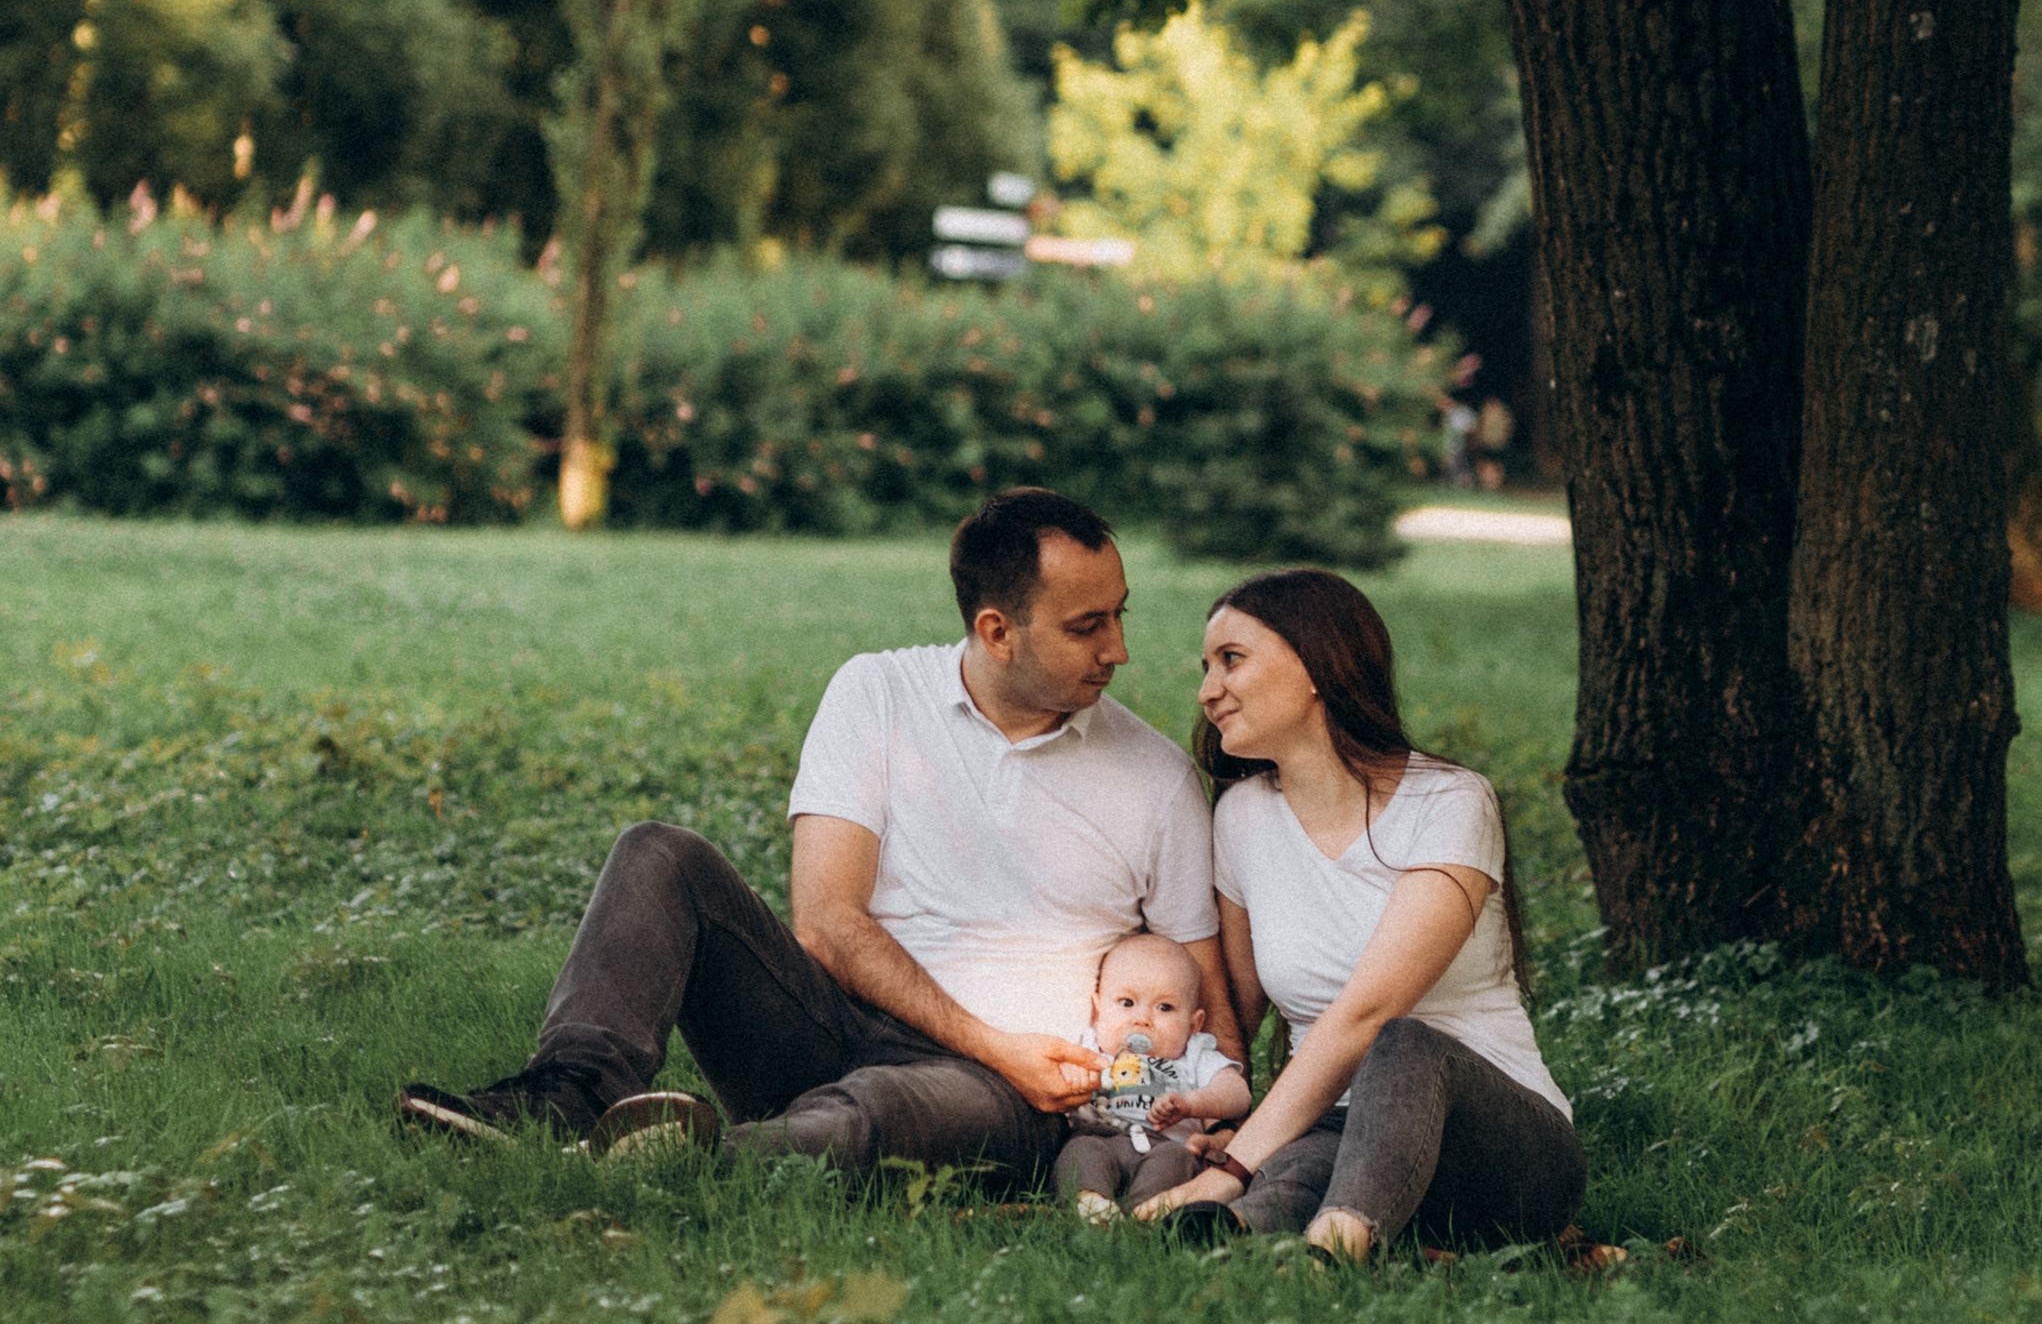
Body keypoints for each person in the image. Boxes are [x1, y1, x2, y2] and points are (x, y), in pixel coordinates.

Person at [396, 487, 1234, 1190]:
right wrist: (993, 1043)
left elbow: (1207, 1003)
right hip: (836, 1023)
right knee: (659, 854)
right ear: (995, 631)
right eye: (1087, 627)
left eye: (1119, 616)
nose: (1118, 650)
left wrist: (1214, 1122)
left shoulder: (1154, 780)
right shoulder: (877, 693)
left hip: (1005, 1096)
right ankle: (566, 1097)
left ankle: (680, 1164)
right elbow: (828, 924)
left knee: (880, 1109)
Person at [1141, 567, 1584, 1260]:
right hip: (1341, 1131)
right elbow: (1240, 1015)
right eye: (1206, 667)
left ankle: (1338, 1244)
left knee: (1399, 1039)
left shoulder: (1449, 803)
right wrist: (1213, 1115)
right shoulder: (1242, 818)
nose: (1207, 692)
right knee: (1297, 1167)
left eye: (1231, 660)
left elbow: (1366, 1014)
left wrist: (1229, 1169)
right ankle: (1236, 1237)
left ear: (1319, 663)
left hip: (1504, 1157)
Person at [1051, 932, 1250, 1219]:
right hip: (1102, 1137)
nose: (1142, 1018)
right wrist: (1072, 1078)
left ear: (1194, 1024)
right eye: (1127, 1002)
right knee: (1080, 1151)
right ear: (1097, 1011)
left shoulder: (1194, 1054)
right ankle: (1090, 1202)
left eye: (1164, 1007)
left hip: (1166, 1145)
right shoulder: (1092, 1049)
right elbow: (1060, 1081)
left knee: (1178, 1160)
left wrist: (1193, 1103)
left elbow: (1237, 1094)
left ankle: (1145, 1213)